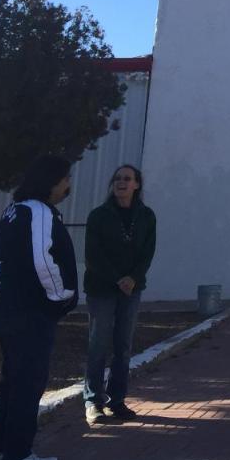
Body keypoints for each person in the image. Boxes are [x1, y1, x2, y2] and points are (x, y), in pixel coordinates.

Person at [0, 155, 79, 460]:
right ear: (51, 181)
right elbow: (44, 261)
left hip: (7, 310)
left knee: (12, 382)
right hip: (29, 315)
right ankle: (17, 458)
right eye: (66, 178)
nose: (68, 184)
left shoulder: (14, 211)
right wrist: (62, 296)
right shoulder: (38, 212)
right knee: (27, 385)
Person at [83, 164, 157, 425]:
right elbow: (93, 255)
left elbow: (147, 253)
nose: (121, 183)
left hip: (131, 290)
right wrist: (117, 278)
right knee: (98, 345)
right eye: (117, 178)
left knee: (123, 347)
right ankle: (93, 402)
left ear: (137, 184)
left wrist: (133, 278)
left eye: (127, 179)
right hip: (102, 289)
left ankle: (117, 401)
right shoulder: (99, 216)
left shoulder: (146, 216)